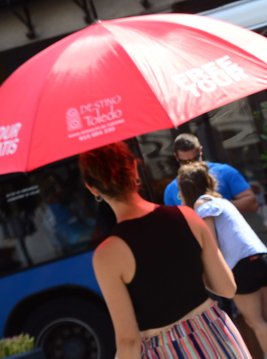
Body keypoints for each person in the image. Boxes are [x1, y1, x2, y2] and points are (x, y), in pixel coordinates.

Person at [80, 142, 250, 359]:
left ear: (92, 188)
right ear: (134, 168)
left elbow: (129, 340)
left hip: (166, 351)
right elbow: (227, 288)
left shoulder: (107, 255)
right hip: (218, 335)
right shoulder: (186, 216)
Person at [178, 163, 267, 359]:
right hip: (260, 256)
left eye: (179, 190)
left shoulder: (201, 205)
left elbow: (211, 245)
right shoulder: (219, 200)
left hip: (240, 264)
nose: (179, 195)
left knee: (256, 322)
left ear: (187, 188)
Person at [164, 133, 259, 213]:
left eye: (195, 159)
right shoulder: (171, 189)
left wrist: (213, 206)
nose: (191, 164)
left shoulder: (224, 171)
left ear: (200, 151)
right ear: (176, 157)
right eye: (185, 161)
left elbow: (252, 204)